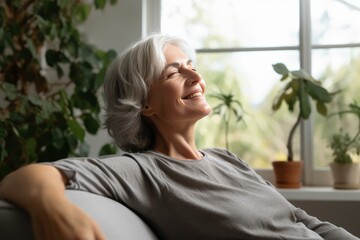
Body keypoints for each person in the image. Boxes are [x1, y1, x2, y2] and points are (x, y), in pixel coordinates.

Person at [0, 33, 358, 240]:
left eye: (192, 66)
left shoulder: (226, 158)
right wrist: (52, 207)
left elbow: (301, 219)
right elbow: (27, 177)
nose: (193, 74)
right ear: (144, 104)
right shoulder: (144, 171)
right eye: (174, 71)